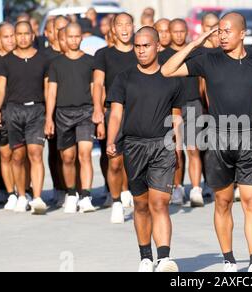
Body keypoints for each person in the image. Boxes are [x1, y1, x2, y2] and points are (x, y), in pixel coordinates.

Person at [162, 12, 252, 273]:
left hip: (251, 138)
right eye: (219, 31)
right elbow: (167, 70)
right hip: (218, 139)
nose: (222, 35)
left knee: (251, 201)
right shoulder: (208, 60)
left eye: (227, 31)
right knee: (223, 202)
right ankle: (229, 260)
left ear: (242, 33)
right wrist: (196, 43)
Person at [107, 26, 182, 272]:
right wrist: (111, 140)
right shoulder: (124, 77)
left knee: (159, 203)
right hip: (133, 146)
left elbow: (177, 117)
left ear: (158, 46)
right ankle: (146, 256)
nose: (140, 50)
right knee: (140, 204)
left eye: (146, 45)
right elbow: (116, 114)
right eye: (137, 46)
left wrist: (177, 146)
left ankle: (164, 258)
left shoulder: (172, 77)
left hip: (162, 145)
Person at [0, 21, 49, 214]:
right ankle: (21, 195)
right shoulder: (5, 61)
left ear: (33, 35)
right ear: (15, 36)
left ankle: (38, 198)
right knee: (17, 156)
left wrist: (49, 116)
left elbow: (48, 89)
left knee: (35, 153)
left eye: (27, 33)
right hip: (13, 111)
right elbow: (0, 88)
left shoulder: (43, 59)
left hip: (37, 111)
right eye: (19, 34)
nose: (23, 37)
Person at [45, 23, 97, 214]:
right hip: (63, 114)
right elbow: (51, 92)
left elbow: (95, 89)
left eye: (77, 36)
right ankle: (72, 193)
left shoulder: (90, 61)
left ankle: (86, 195)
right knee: (67, 157)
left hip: (85, 112)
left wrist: (97, 111)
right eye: (70, 37)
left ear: (81, 37)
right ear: (63, 39)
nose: (74, 40)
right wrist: (49, 118)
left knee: (85, 154)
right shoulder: (56, 64)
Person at [92, 13, 136, 224]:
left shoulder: (141, 51)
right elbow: (98, 85)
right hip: (113, 112)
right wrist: (98, 113)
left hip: (139, 111)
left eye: (128, 24)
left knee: (136, 160)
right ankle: (116, 201)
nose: (125, 29)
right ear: (113, 29)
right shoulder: (103, 55)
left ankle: (134, 195)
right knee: (115, 160)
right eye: (120, 25)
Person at [159, 19, 205, 207]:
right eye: (174, 31)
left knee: (193, 149)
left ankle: (196, 189)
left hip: (193, 104)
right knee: (176, 151)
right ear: (168, 32)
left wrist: (205, 103)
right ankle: (177, 188)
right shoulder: (163, 56)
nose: (178, 35)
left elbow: (203, 81)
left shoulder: (195, 53)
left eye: (181, 31)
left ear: (187, 32)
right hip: (172, 107)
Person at [44, 15, 70, 207]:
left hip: (72, 109)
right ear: (50, 32)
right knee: (55, 152)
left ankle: (74, 189)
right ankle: (58, 187)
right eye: (58, 29)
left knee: (72, 153)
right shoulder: (44, 56)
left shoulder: (76, 54)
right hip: (51, 110)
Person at [0, 22, 16, 207]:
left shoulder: (22, 58)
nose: (10, 40)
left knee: (19, 153)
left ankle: (25, 189)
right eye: (5, 37)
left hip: (19, 111)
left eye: (12, 36)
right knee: (1, 153)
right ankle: (4, 189)